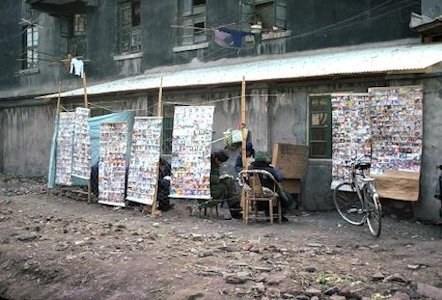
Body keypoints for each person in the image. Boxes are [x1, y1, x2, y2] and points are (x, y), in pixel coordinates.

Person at [249, 151, 295, 222]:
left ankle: (270, 213)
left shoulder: (250, 168)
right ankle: (280, 213)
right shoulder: (270, 169)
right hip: (269, 191)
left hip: (254, 192)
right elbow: (279, 178)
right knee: (283, 193)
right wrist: (276, 169)